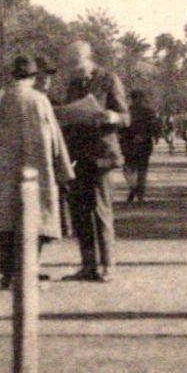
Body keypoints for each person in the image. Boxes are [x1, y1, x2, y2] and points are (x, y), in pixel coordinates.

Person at [0, 54, 75, 287]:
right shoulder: (40, 100)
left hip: (1, 172)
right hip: (37, 172)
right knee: (37, 221)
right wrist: (64, 170)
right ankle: (28, 270)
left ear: (12, 75)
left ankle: (7, 273)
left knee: (6, 223)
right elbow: (55, 138)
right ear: (34, 77)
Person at [54, 40, 129, 282]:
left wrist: (113, 116)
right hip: (78, 154)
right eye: (72, 68)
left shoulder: (109, 79)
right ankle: (88, 265)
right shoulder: (74, 84)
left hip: (101, 153)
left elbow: (127, 117)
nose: (75, 72)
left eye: (78, 66)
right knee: (80, 213)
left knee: (100, 210)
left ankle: (108, 265)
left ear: (89, 59)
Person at [120, 90, 161, 203]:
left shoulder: (125, 112)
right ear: (140, 98)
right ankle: (140, 194)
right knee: (142, 169)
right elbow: (155, 127)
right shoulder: (149, 112)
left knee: (129, 169)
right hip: (144, 144)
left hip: (128, 144)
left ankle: (133, 189)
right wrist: (147, 136)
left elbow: (120, 128)